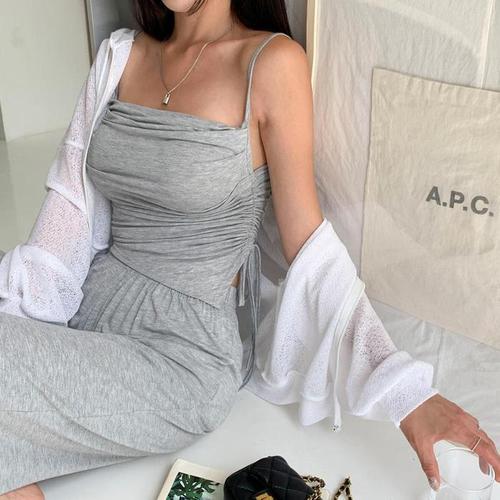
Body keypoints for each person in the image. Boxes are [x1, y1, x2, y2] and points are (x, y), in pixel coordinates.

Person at [0, 0, 499, 498]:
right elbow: (65, 217)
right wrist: (21, 321)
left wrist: (407, 393)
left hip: (181, 355)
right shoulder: (120, 57)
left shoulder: (271, 63)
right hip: (87, 318)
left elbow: (310, 247)